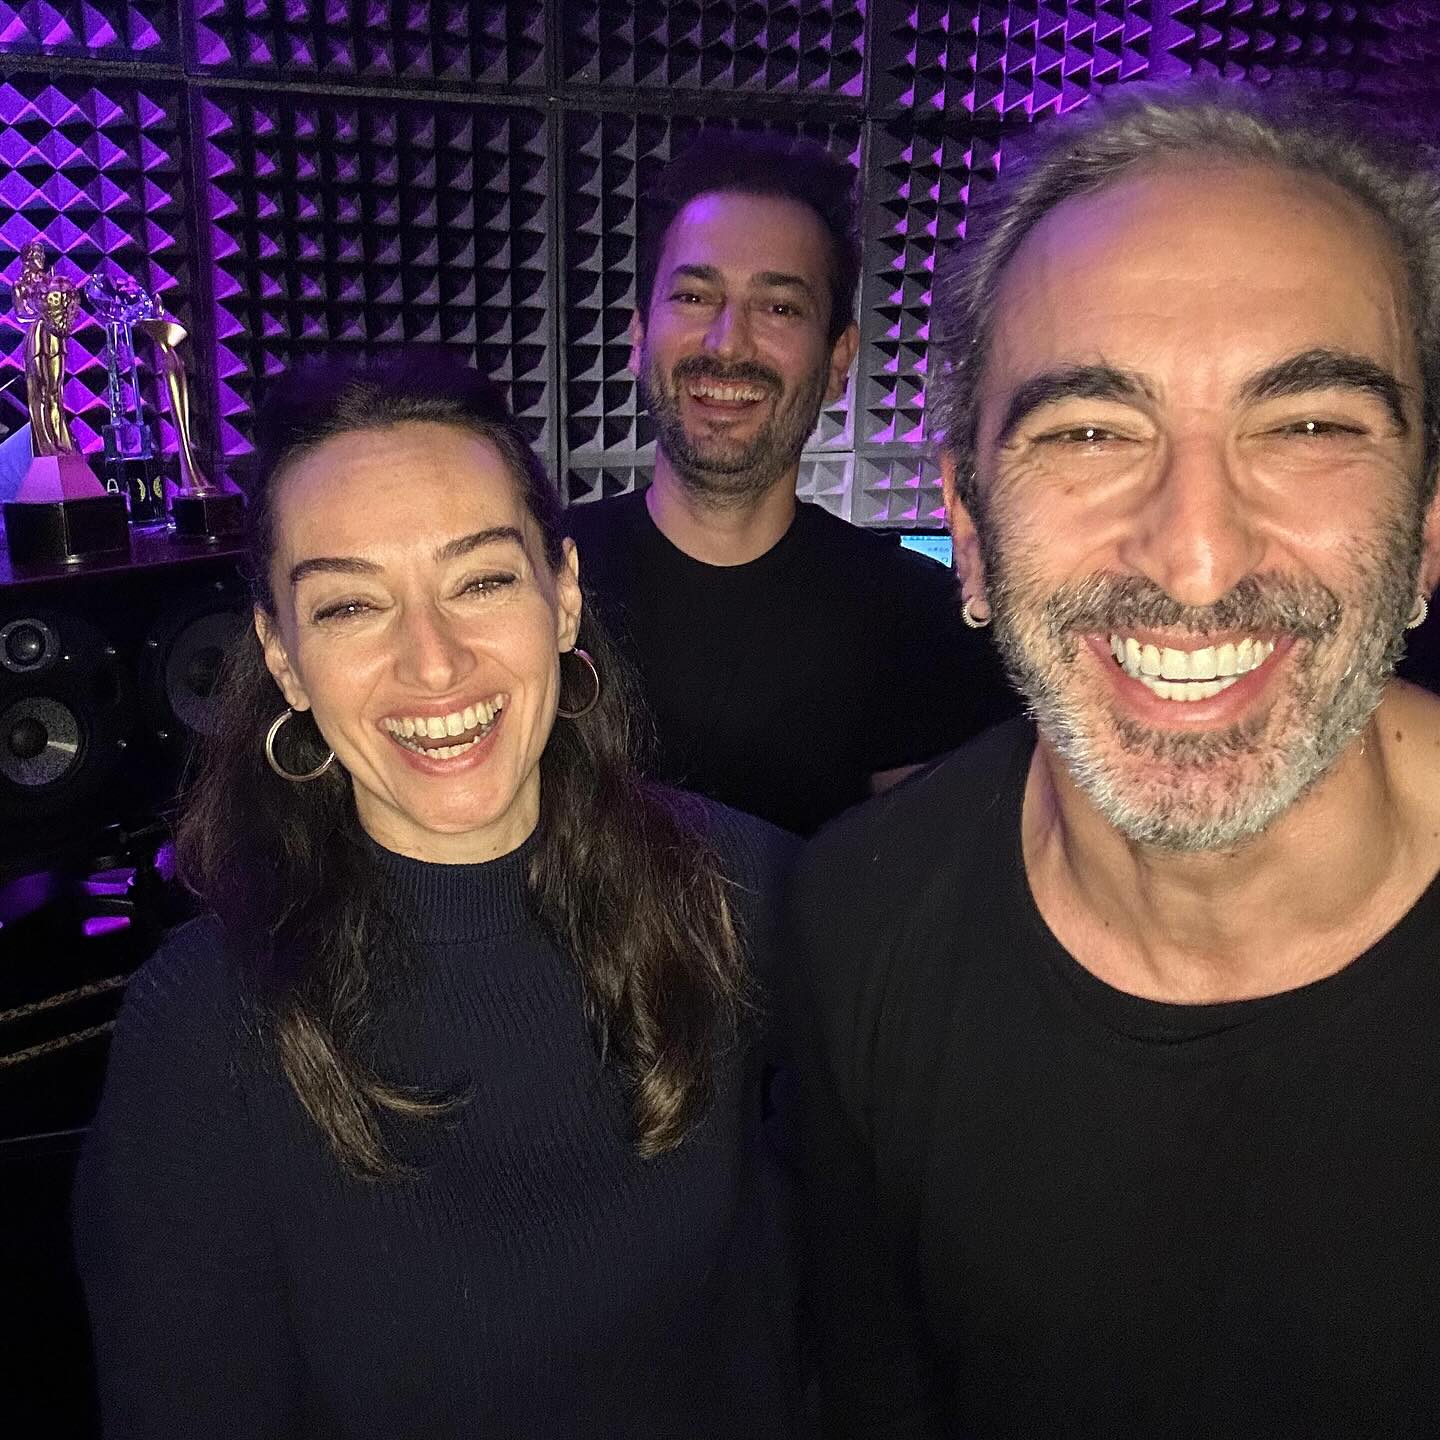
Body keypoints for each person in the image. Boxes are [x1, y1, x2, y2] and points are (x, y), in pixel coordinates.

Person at [789, 84, 1440, 1438]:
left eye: (1309, 426)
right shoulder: (856, 921)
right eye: (1088, 432)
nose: (1196, 557)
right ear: (969, 531)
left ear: (1428, 525)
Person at [72, 352, 805, 1438]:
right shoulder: (200, 1032)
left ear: (562, 596)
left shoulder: (749, 895)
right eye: (351, 605)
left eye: (482, 581)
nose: (433, 664)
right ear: (283, 658)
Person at [566, 130, 1015, 836]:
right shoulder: (535, 579)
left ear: (838, 360)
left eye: (779, 307)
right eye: (694, 295)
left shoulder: (918, 621)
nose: (727, 343)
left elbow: (932, 872)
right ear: (638, 336)